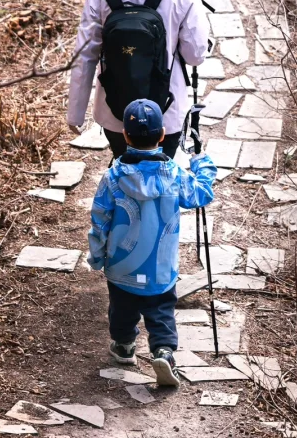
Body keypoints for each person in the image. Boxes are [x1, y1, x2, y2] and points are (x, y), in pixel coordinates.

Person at [67, 0, 209, 158]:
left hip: (115, 113)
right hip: (166, 112)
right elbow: (195, 55)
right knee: (162, 173)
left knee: (124, 168)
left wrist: (75, 113)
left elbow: (85, 52)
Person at [88, 97, 216, 387]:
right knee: (160, 311)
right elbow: (201, 194)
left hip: (121, 266)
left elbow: (100, 219)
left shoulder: (112, 178)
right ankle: (163, 351)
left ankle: (124, 346)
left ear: (125, 135)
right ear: (162, 135)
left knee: (121, 308)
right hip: (160, 266)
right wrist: (201, 162)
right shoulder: (175, 176)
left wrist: (96, 255)